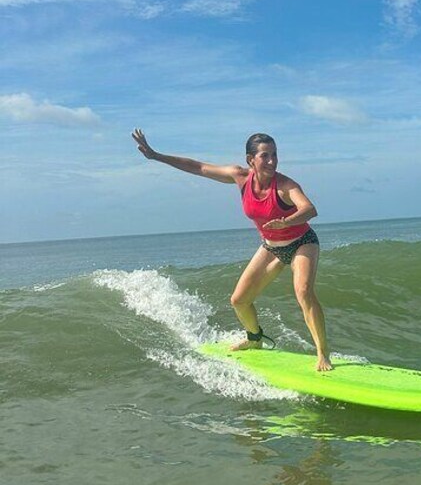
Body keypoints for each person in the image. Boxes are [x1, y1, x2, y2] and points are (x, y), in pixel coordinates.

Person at [131, 129, 333, 371]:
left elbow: (310, 209)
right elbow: (198, 167)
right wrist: (156, 156)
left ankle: (323, 353)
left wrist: (287, 222)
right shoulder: (240, 177)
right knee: (239, 301)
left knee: (303, 291)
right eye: (265, 156)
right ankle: (255, 339)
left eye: (275, 155)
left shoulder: (285, 185)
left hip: (301, 242)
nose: (272, 161)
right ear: (251, 160)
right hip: (271, 247)